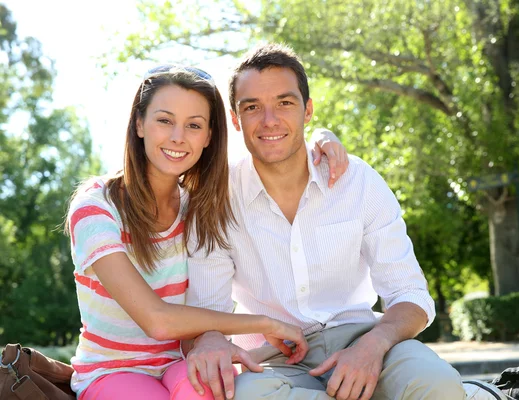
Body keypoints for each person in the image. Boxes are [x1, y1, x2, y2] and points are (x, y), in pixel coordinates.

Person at [185, 44, 466, 400]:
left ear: (308, 110)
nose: (269, 119)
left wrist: (374, 345)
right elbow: (206, 313)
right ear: (235, 119)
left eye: (285, 103)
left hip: (366, 338)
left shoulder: (358, 181)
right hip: (277, 361)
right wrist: (208, 338)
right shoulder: (216, 199)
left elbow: (411, 295)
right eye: (252, 107)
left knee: (436, 383)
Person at [65, 64, 346, 400]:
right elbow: (157, 321)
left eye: (194, 125)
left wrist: (320, 137)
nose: (178, 137)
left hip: (183, 360)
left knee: (206, 392)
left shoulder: (201, 206)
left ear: (210, 136)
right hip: (112, 371)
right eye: (164, 120)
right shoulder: (96, 207)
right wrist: (265, 324)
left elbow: (272, 156)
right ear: (139, 124)